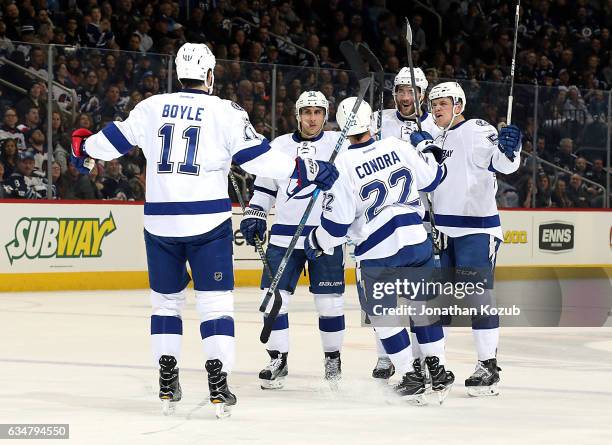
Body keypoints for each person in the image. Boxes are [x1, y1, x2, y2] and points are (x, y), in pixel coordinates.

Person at [70, 43, 339, 418]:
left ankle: (167, 378)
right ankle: (218, 382)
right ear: (210, 75)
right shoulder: (224, 110)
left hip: (160, 223)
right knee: (215, 305)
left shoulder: (151, 106)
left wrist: (83, 149)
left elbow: (110, 142)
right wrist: (306, 169)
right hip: (208, 224)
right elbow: (256, 158)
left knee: (165, 304)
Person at [304, 97, 454, 404]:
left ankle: (410, 375)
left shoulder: (342, 165)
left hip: (377, 252)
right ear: (371, 123)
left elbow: (337, 226)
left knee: (384, 316)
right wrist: (426, 148)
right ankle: (436, 369)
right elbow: (434, 178)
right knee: (422, 310)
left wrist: (316, 242)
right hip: (416, 241)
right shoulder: (398, 148)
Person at [410, 82, 522, 396]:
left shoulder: (475, 129)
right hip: (443, 231)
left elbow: (503, 164)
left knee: (477, 297)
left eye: (443, 103)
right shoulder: (439, 136)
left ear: (459, 105)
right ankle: (431, 364)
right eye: (433, 104)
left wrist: (511, 149)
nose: (436, 108)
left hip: (476, 229)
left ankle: (488, 366)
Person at [240, 91, 347, 390]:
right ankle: (278, 358)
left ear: (326, 115)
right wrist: (255, 215)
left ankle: (332, 358)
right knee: (272, 300)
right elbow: (264, 190)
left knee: (330, 305)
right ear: (297, 114)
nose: (312, 118)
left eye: (318, 112)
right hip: (285, 237)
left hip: (324, 237)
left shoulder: (339, 146)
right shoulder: (280, 146)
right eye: (307, 112)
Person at [373, 66, 443, 382]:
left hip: (421, 222)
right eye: (400, 91)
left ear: (423, 94)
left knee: (420, 296)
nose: (404, 97)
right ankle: (385, 356)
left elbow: (440, 178)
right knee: (383, 293)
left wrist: (428, 146)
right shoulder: (378, 120)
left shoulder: (435, 126)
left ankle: (422, 359)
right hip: (382, 223)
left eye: (411, 91)